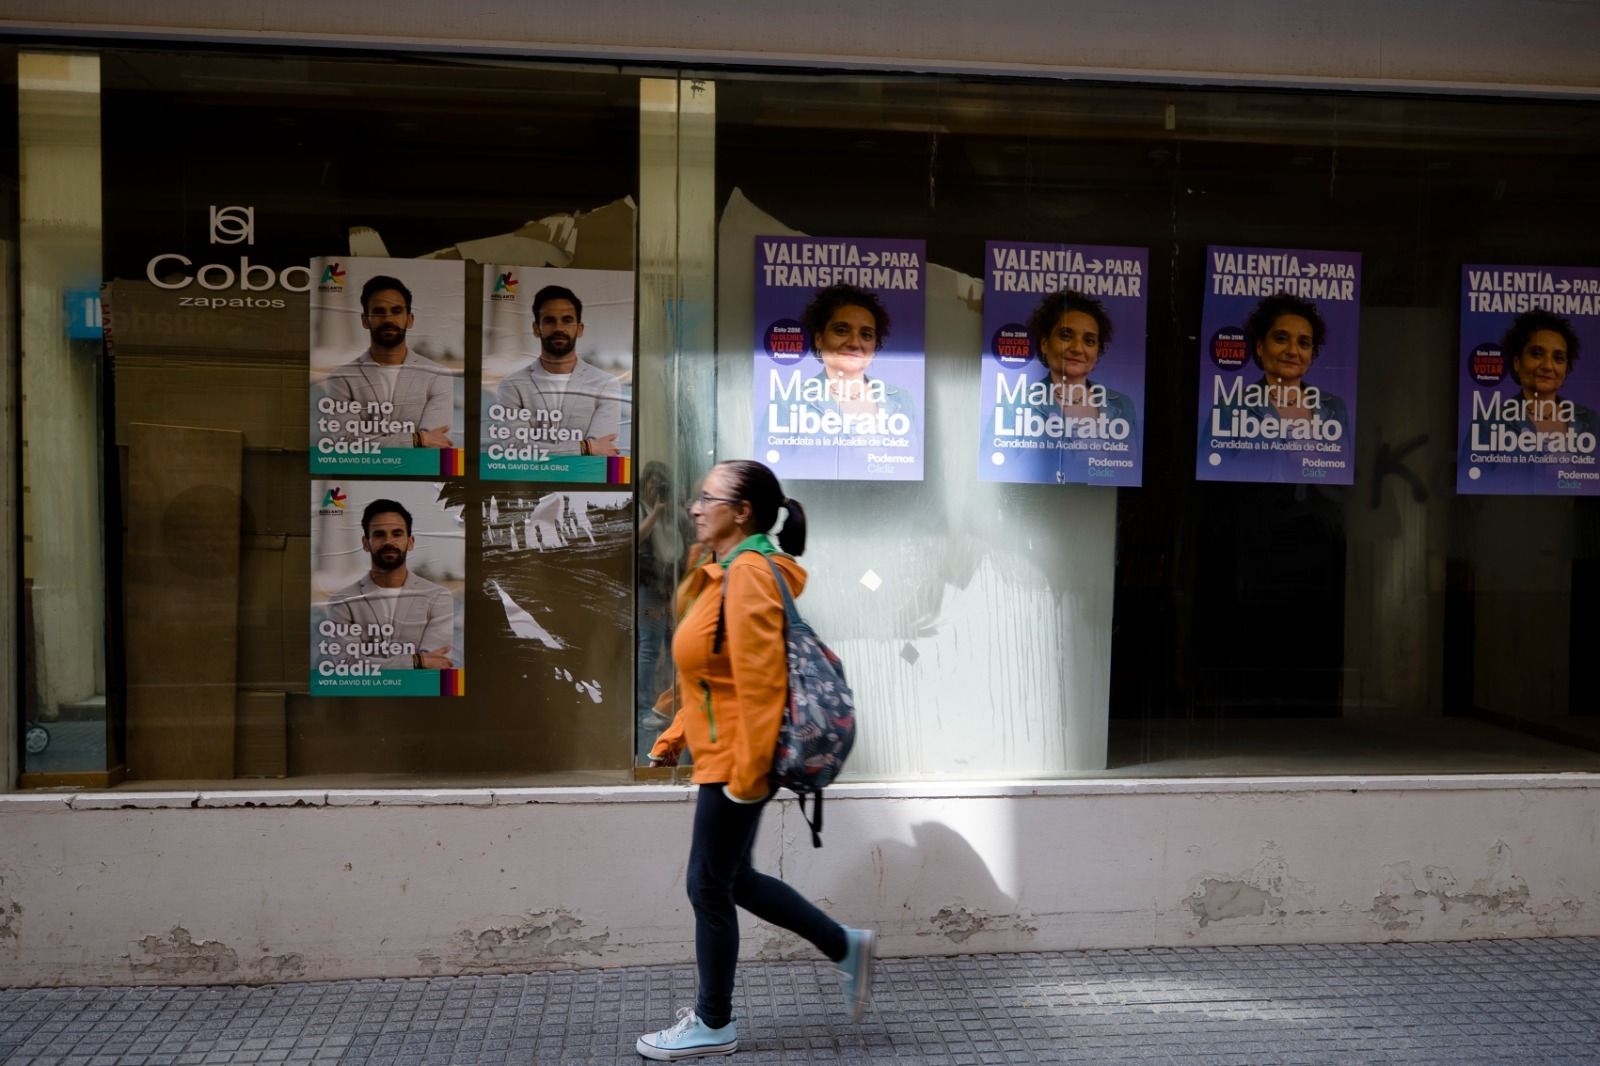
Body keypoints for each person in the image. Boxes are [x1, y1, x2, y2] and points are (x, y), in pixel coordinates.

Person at [637, 460, 873, 1061]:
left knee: (706, 884)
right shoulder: (720, 571)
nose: (694, 506)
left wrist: (745, 778)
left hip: (741, 759)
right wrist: (675, 737)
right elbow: (714, 676)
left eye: (706, 498)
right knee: (732, 878)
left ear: (741, 512)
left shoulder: (747, 575)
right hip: (726, 752)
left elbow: (762, 684)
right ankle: (844, 945)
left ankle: (714, 1021)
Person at [319, 275, 457, 449]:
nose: (388, 319)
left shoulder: (437, 375)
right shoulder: (341, 378)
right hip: (362, 474)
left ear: (410, 319)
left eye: (397, 311)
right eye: (378, 312)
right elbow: (347, 441)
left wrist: (375, 442)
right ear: (365, 320)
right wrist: (418, 439)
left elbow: (436, 443)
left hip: (418, 472)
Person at [493, 284, 624, 457]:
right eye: (549, 320)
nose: (558, 328)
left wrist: (540, 449)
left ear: (580, 329)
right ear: (536, 328)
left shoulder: (606, 385)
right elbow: (515, 447)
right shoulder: (511, 386)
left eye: (567, 320)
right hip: (529, 482)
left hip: (584, 482)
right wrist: (586, 447)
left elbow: (602, 453)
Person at [1020, 289, 1139, 478]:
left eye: (1089, 341)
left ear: (1097, 352)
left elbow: (1129, 472)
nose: (1077, 348)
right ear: (1044, 343)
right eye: (1066, 336)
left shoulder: (1122, 405)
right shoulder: (1015, 404)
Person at [325, 499, 454, 671]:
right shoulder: (342, 601)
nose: (388, 542)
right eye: (379, 534)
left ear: (410, 542)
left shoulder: (438, 597)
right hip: (365, 697)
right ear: (365, 543)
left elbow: (436, 664)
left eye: (397, 533)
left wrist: (373, 663)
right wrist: (416, 661)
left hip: (419, 696)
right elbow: (348, 663)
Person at [1218, 291, 1350, 429]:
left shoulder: (1336, 407)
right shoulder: (1229, 407)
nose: (1293, 351)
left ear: (1312, 353)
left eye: (1304, 343)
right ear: (1260, 346)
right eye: (1281, 339)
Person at [795, 282, 916, 429]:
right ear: (818, 339)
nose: (854, 343)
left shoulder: (902, 400)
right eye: (841, 330)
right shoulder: (789, 401)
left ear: (875, 344)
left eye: (866, 334)